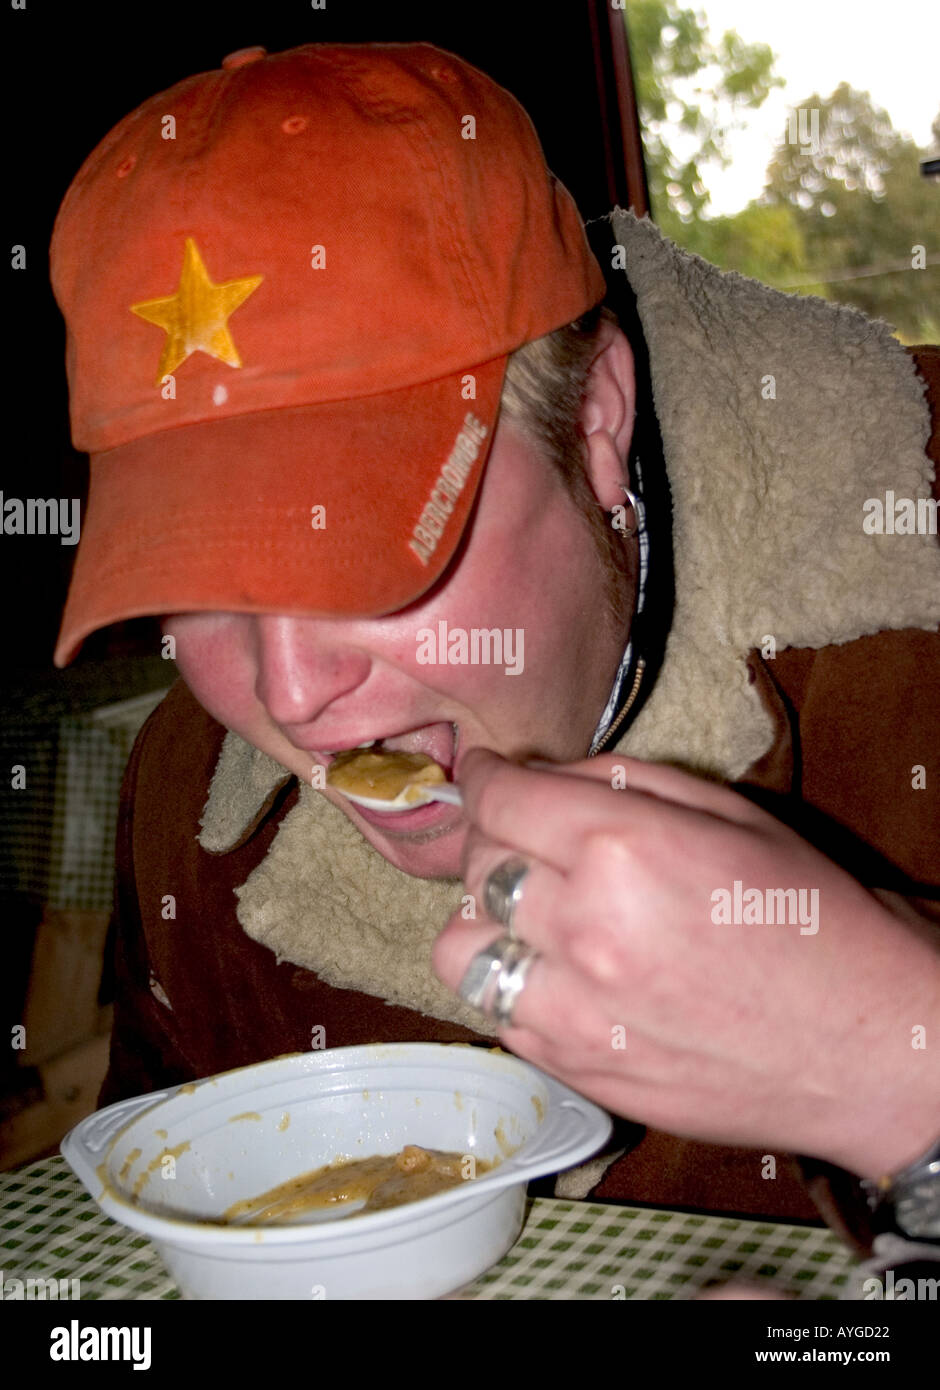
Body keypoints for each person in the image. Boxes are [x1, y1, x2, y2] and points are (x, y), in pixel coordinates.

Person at [50, 42, 939, 1279]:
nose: (294, 698)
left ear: (595, 426)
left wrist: (894, 1053)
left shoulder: (911, 640)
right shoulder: (184, 809)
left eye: (363, 553)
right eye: (198, 576)